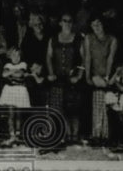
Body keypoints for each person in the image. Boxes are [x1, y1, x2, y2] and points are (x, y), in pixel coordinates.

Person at [46, 13, 85, 146]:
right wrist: (51, 73)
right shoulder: (53, 38)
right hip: (58, 78)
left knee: (73, 108)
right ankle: (66, 135)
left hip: (72, 79)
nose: (67, 23)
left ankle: (75, 136)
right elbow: (48, 57)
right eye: (65, 21)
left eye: (70, 21)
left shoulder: (78, 38)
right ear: (60, 23)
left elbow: (84, 59)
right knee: (59, 108)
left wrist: (79, 76)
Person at [83, 17, 117, 146]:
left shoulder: (112, 39)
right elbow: (88, 57)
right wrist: (87, 76)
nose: (96, 27)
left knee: (107, 104)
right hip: (94, 75)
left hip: (108, 75)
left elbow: (110, 58)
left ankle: (106, 135)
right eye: (93, 24)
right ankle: (97, 134)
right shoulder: (89, 38)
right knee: (97, 103)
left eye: (99, 24)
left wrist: (107, 77)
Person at [0, 46, 30, 146]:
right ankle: (12, 135)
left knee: (18, 114)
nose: (16, 57)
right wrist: (13, 71)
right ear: (10, 56)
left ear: (21, 56)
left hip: (20, 90)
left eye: (18, 55)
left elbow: (20, 74)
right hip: (10, 90)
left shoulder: (23, 64)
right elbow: (3, 74)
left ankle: (18, 135)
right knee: (11, 114)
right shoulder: (7, 64)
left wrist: (10, 72)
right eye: (13, 55)